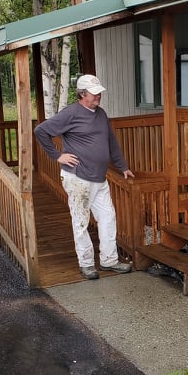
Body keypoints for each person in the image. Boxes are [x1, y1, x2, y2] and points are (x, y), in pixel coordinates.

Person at [34, 74, 134, 280]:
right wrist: (57, 156)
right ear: (82, 94)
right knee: (81, 221)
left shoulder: (101, 114)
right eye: (94, 93)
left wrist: (122, 166)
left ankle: (109, 260)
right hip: (78, 178)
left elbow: (111, 142)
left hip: (99, 177)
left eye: (99, 93)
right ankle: (86, 264)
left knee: (107, 218)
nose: (98, 96)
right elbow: (40, 131)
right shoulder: (70, 113)